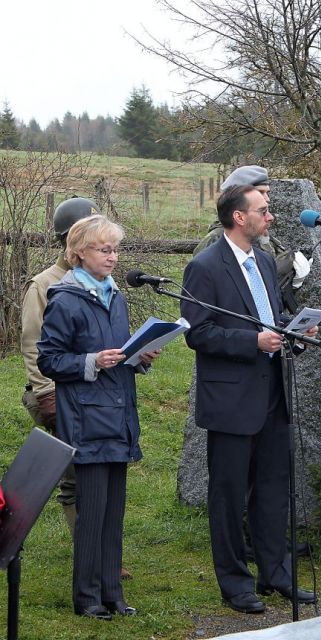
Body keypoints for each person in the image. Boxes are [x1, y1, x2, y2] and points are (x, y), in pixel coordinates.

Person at [180, 186, 316, 614]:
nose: (270, 216)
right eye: (263, 210)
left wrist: (294, 332)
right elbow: (196, 332)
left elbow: (269, 317)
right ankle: (235, 582)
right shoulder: (204, 267)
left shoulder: (261, 260)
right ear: (239, 217)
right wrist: (252, 340)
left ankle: (275, 572)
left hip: (273, 392)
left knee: (274, 489)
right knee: (229, 493)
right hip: (231, 400)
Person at [37, 215, 159, 620]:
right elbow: (49, 359)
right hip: (86, 418)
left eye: (115, 249)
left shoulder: (116, 296)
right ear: (79, 253)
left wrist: (139, 357)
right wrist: (92, 360)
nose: (112, 257)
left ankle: (113, 592)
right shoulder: (64, 298)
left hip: (119, 413)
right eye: (104, 249)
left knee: (114, 510)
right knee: (91, 512)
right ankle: (87, 597)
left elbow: (119, 352)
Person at [21, 196, 100, 537]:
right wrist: (47, 395)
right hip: (59, 393)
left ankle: (101, 544)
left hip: (94, 390)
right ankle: (86, 546)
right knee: (74, 476)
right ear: (74, 241)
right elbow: (32, 344)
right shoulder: (44, 285)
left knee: (98, 471)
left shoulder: (99, 279)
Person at [194, 165, 311, 314]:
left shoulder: (262, 236)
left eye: (267, 193)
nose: (267, 199)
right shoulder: (215, 240)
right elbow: (219, 299)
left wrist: (293, 280)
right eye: (261, 192)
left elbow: (269, 295)